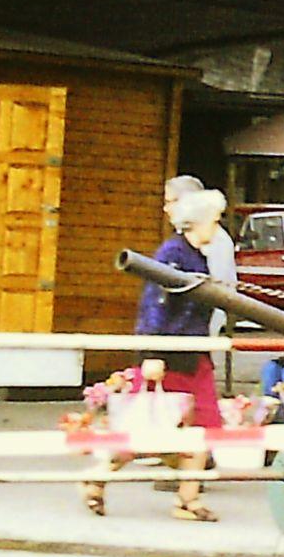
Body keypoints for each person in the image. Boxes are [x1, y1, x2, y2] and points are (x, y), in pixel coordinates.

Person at [94, 188, 226, 521]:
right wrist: (151, 353)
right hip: (169, 355)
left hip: (195, 355)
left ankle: (187, 499)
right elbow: (155, 304)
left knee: (203, 426)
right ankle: (95, 479)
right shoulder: (172, 253)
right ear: (197, 221)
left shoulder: (196, 256)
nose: (218, 225)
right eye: (215, 218)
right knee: (146, 428)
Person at [163, 175, 237, 334]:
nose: (166, 208)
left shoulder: (216, 240)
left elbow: (217, 288)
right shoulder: (177, 242)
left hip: (202, 324)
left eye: (170, 202)